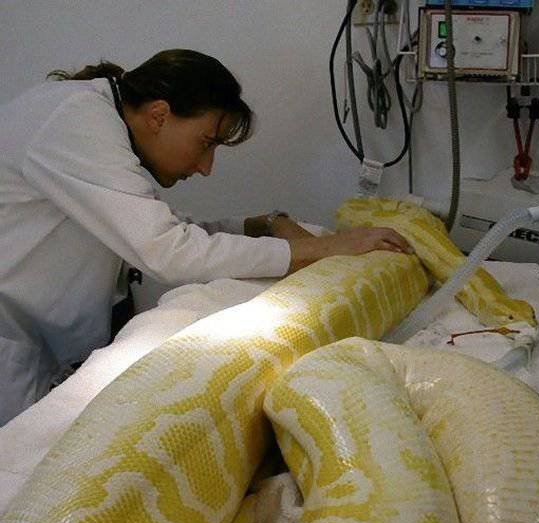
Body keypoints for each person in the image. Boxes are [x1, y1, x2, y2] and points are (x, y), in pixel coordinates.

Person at [0, 48, 412, 427]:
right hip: (13, 340)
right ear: (159, 115)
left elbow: (166, 229)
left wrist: (264, 224)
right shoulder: (74, 121)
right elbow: (169, 252)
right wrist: (320, 248)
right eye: (205, 144)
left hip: (39, 339)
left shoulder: (93, 119)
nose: (206, 167)